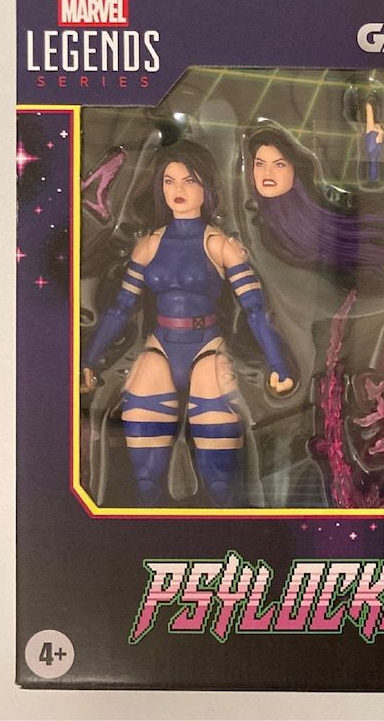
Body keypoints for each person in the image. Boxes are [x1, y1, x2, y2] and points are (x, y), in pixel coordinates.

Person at [80, 140, 294, 507]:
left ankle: (226, 526)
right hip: (159, 348)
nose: (177, 190)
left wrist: (279, 364)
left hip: (207, 349)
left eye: (189, 180)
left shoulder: (221, 245)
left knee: (220, 478)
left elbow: (256, 311)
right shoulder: (148, 245)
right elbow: (120, 308)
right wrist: (89, 360)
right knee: (145, 477)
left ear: (206, 187)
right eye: (169, 181)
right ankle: (143, 531)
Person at [247, 124, 384, 289]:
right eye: (260, 164)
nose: (267, 173)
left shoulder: (317, 217)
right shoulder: (268, 229)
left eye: (279, 164)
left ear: (296, 170)